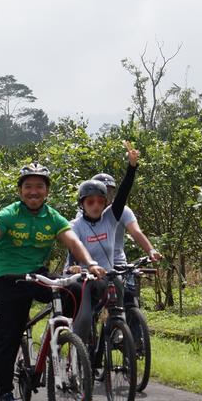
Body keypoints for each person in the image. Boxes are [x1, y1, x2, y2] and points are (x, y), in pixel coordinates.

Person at [0, 163, 106, 401]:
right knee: (8, 337)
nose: (33, 192)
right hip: (8, 279)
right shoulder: (10, 214)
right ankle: (5, 394)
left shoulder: (52, 217)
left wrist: (90, 263)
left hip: (37, 274)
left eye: (39, 187)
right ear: (20, 191)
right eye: (28, 187)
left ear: (47, 191)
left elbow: (73, 241)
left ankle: (58, 335)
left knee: (77, 288)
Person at [63, 144, 140, 357]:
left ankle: (117, 335)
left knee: (121, 303)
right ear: (82, 204)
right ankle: (78, 356)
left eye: (100, 201)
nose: (96, 205)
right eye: (90, 202)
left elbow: (123, 193)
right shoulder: (75, 225)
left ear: (106, 203)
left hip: (106, 276)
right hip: (84, 278)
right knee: (86, 318)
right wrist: (74, 267)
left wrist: (132, 167)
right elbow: (73, 248)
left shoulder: (110, 218)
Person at [91, 169, 162, 308]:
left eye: (111, 191)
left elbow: (136, 232)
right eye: (103, 191)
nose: (107, 195)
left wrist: (151, 250)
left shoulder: (123, 210)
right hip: (95, 266)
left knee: (130, 300)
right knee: (91, 307)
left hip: (119, 264)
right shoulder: (86, 212)